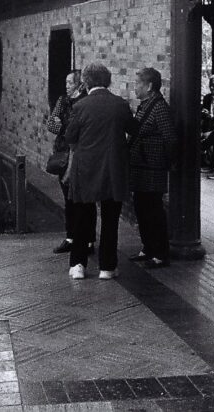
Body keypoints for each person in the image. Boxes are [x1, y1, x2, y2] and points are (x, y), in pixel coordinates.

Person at [62, 63, 132, 280]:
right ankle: (107, 267)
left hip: (85, 169)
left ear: (86, 82)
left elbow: (70, 137)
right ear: (108, 81)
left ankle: (78, 265)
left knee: (82, 218)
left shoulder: (80, 106)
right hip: (113, 169)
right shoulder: (120, 104)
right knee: (110, 220)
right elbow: (134, 130)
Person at [125, 67, 177, 269]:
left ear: (149, 86)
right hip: (141, 166)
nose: (134, 88)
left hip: (152, 167)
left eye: (138, 84)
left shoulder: (159, 108)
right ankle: (148, 248)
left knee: (153, 210)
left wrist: (167, 162)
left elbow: (170, 138)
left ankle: (160, 253)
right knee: (142, 208)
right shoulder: (145, 105)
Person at [46, 70, 91, 255]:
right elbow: (51, 123)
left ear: (80, 85)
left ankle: (88, 240)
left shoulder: (85, 102)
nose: (66, 86)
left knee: (84, 200)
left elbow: (77, 129)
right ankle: (71, 237)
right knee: (68, 198)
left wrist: (63, 125)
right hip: (63, 153)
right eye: (66, 82)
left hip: (78, 154)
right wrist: (67, 127)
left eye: (70, 83)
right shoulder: (63, 101)